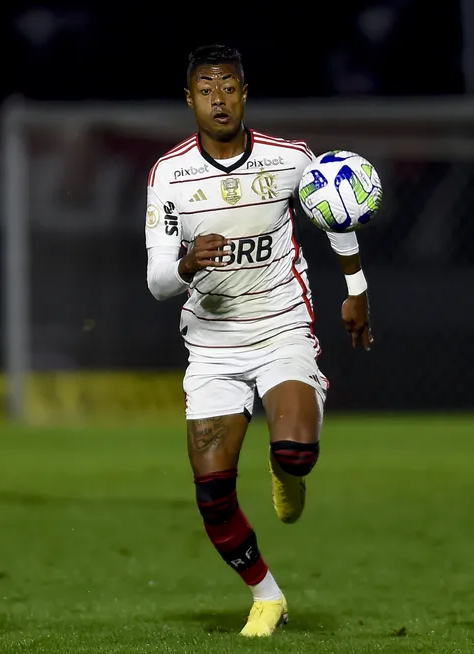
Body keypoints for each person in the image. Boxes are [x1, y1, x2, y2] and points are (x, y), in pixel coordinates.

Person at [144, 44, 372, 637]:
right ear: (189, 99)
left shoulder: (292, 159)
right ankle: (267, 596)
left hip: (281, 328)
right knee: (213, 495)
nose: (218, 99)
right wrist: (188, 263)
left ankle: (288, 470)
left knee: (295, 451)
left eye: (228, 87)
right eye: (205, 89)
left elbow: (335, 212)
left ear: (245, 93)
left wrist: (356, 288)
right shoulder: (169, 175)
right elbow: (157, 282)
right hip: (212, 346)